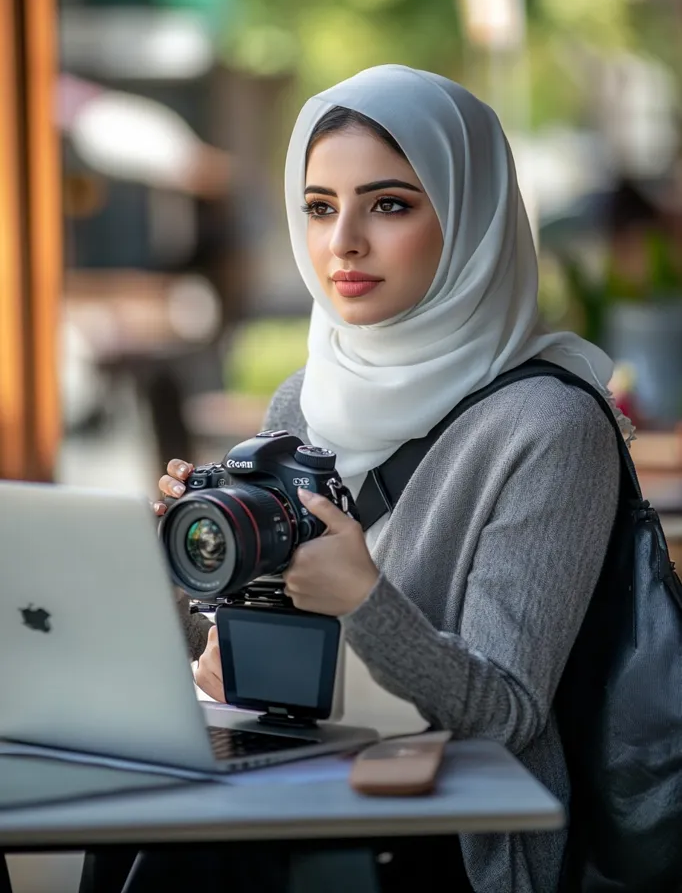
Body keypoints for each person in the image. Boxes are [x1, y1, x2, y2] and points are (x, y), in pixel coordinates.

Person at [154, 65, 628, 893]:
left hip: (439, 837)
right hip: (291, 779)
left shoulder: (550, 427)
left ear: (471, 218)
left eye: (391, 204)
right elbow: (260, 656)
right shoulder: (305, 395)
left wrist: (365, 599)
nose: (344, 242)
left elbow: (508, 714)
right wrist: (196, 563)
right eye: (320, 207)